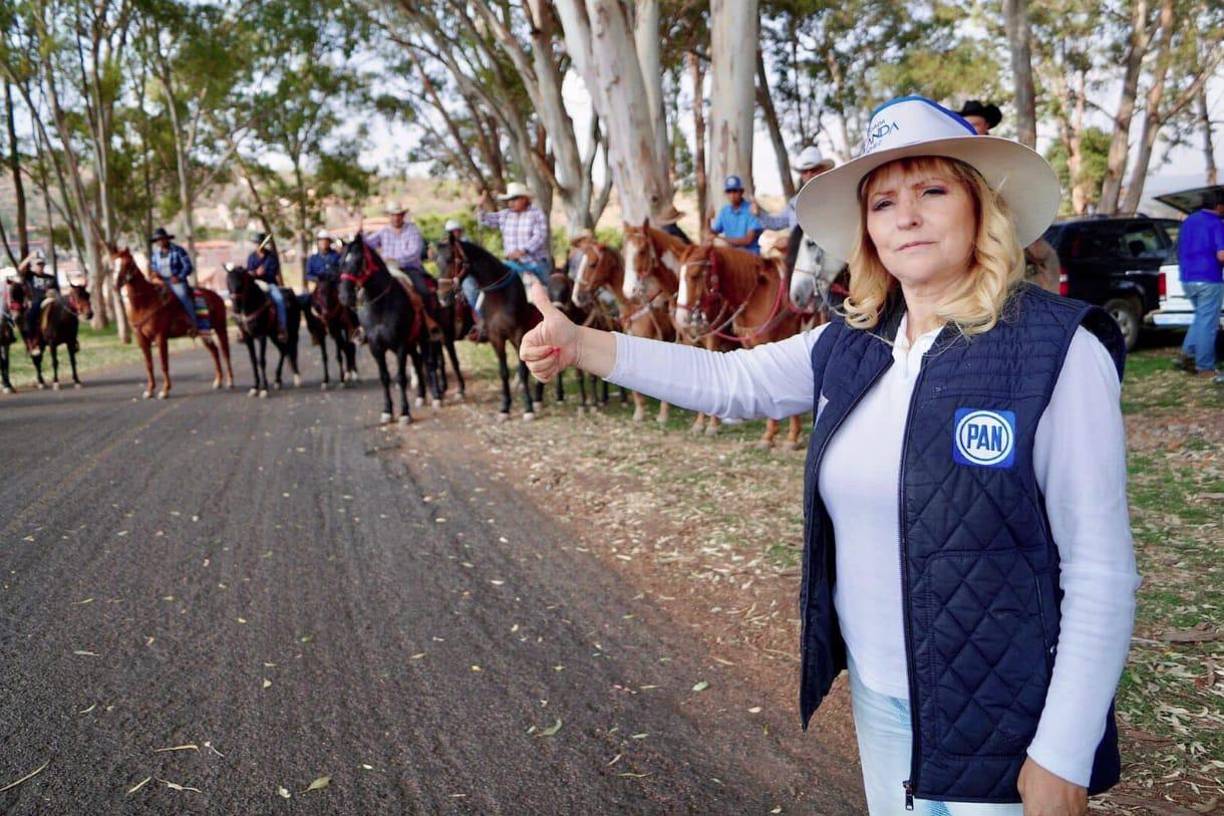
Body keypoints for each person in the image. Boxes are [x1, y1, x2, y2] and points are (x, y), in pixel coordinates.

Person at [520, 95, 1138, 815]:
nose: (905, 216)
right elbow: (730, 379)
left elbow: (1099, 569)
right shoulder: (852, 340)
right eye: (883, 202)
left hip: (1003, 716)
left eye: (932, 191)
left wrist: (1062, 751)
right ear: (867, 230)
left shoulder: (1058, 350)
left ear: (980, 208)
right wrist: (584, 345)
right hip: (879, 699)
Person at [468, 182, 552, 340]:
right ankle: (484, 323)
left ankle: (549, 325)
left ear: (525, 199)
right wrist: (480, 208)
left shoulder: (536, 214)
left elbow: (540, 236)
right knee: (490, 288)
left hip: (533, 263)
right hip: (511, 265)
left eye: (514, 199)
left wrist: (523, 250)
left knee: (545, 294)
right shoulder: (505, 214)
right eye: (509, 199)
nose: (511, 202)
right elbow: (486, 220)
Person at [1173, 190, 1224, 382]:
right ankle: (1205, 368)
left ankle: (1187, 354)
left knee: (1201, 319)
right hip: (1209, 278)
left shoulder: (1189, 221)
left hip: (1187, 278)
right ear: (1219, 206)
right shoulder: (1217, 223)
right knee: (1208, 324)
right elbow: (1221, 255)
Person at [753, 145, 837, 231]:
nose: (809, 175)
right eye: (804, 171)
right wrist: (759, 213)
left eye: (813, 170)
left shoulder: (835, 197)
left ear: (823, 170)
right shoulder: (794, 203)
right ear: (801, 175)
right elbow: (777, 223)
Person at [149, 227, 198, 333]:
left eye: (162, 239)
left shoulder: (178, 250)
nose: (160, 242)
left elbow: (188, 266)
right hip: (161, 282)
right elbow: (153, 268)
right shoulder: (155, 255)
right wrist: (154, 275)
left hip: (176, 281)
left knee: (183, 296)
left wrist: (179, 277)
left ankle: (194, 323)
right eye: (158, 240)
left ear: (167, 239)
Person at [246, 232, 288, 341]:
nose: (258, 245)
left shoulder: (271, 257)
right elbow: (249, 272)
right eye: (256, 243)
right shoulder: (251, 257)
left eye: (259, 243)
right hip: (255, 284)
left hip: (270, 284)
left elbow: (273, 272)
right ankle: (243, 329)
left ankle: (281, 327)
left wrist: (263, 273)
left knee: (279, 299)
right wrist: (255, 273)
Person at [709, 174, 764, 254]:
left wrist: (721, 239)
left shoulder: (751, 210)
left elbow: (747, 240)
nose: (732, 195)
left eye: (735, 191)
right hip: (732, 256)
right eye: (729, 191)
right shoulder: (724, 211)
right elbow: (713, 232)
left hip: (750, 256)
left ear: (741, 192)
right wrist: (708, 220)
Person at [15, 250, 57, 346]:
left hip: (51, 299)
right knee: (30, 315)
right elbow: (19, 269)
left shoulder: (51, 277)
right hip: (37, 301)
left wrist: (53, 292)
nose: (40, 266)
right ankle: (32, 338)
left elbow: (56, 290)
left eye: (42, 264)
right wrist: (29, 257)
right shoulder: (30, 276)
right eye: (38, 264)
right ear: (33, 266)